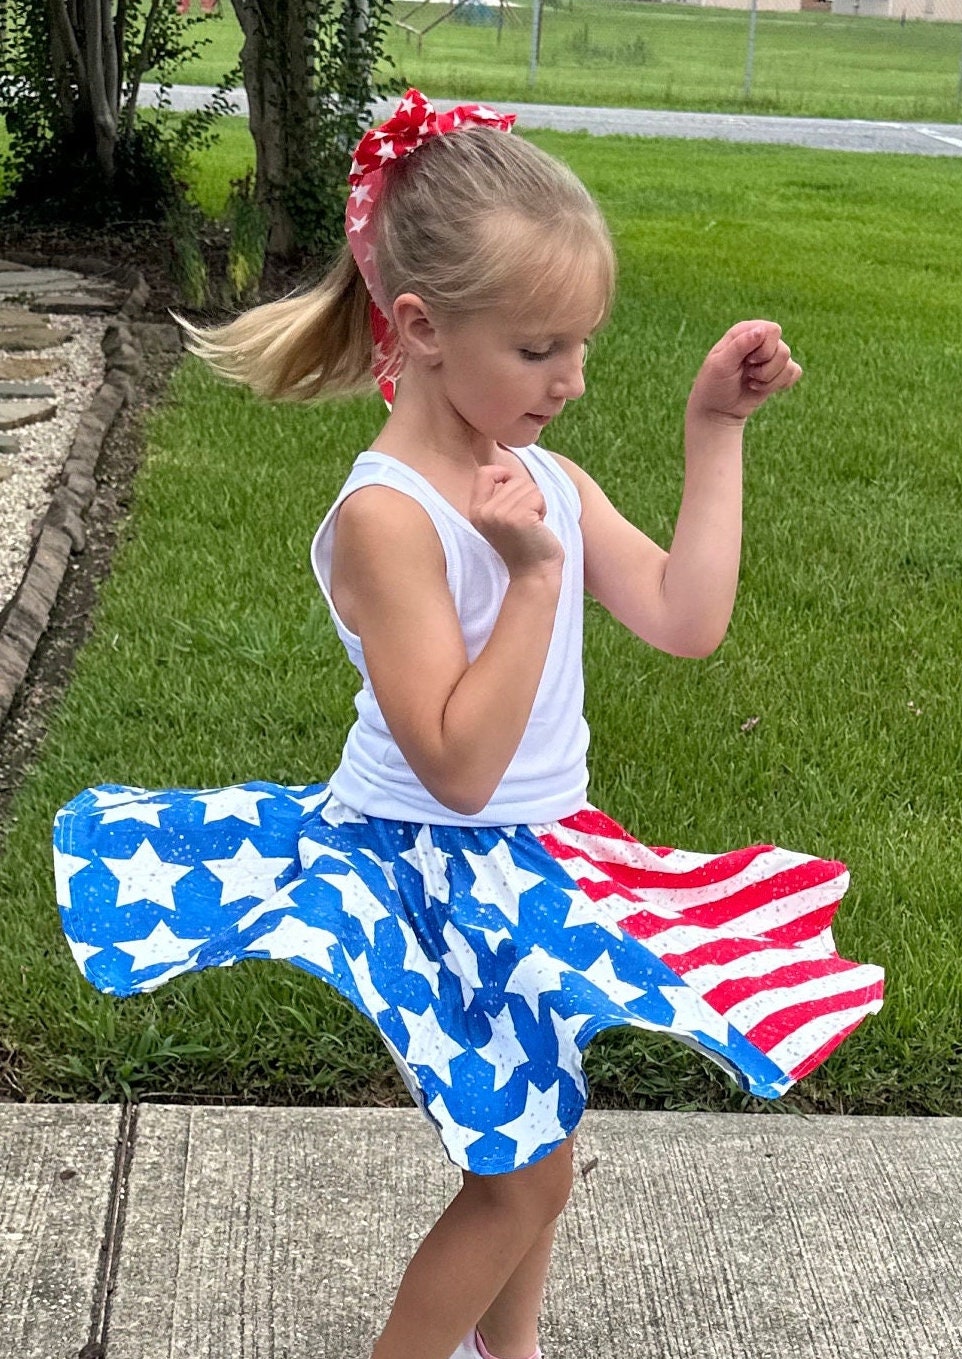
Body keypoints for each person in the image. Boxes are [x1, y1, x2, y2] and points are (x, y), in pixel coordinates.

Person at [53, 90, 884, 1359]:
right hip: (428, 868)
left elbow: (680, 616)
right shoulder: (391, 514)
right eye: (541, 347)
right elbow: (452, 763)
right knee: (524, 1179)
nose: (573, 377)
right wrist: (536, 582)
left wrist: (710, 432)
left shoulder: (542, 474)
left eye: (583, 343)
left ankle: (515, 1353)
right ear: (426, 329)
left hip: (538, 852)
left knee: (534, 1137)